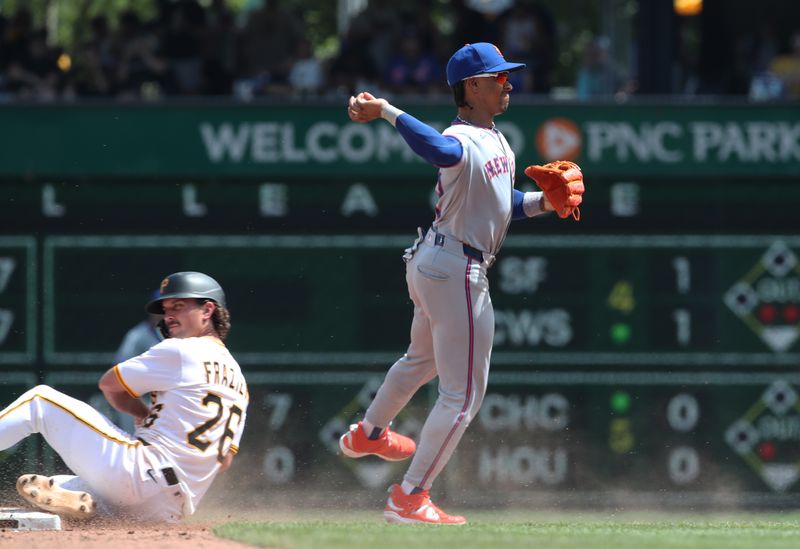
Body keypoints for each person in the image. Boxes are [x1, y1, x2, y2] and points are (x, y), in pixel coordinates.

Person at [339, 42, 557, 525]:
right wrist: (387, 112)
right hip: (456, 267)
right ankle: (410, 495)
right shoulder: (460, 137)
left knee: (420, 362)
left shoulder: (498, 140)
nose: (508, 84)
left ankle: (369, 433)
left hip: (436, 260)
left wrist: (545, 203)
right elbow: (438, 150)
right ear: (471, 87)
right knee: (463, 397)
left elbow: (506, 205)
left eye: (507, 76)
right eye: (498, 78)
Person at [0, 271, 248, 523]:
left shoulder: (183, 350)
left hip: (139, 474)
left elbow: (110, 385)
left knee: (39, 401)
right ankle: (80, 501)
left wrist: (141, 413)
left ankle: (93, 497)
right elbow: (224, 460)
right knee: (56, 488)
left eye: (179, 306)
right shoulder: (239, 382)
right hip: (169, 509)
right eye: (166, 308)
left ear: (207, 310)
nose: (168, 315)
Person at [114, 289, 163, 364]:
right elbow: (120, 365)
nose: (162, 312)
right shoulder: (137, 335)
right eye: (158, 307)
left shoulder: (182, 332)